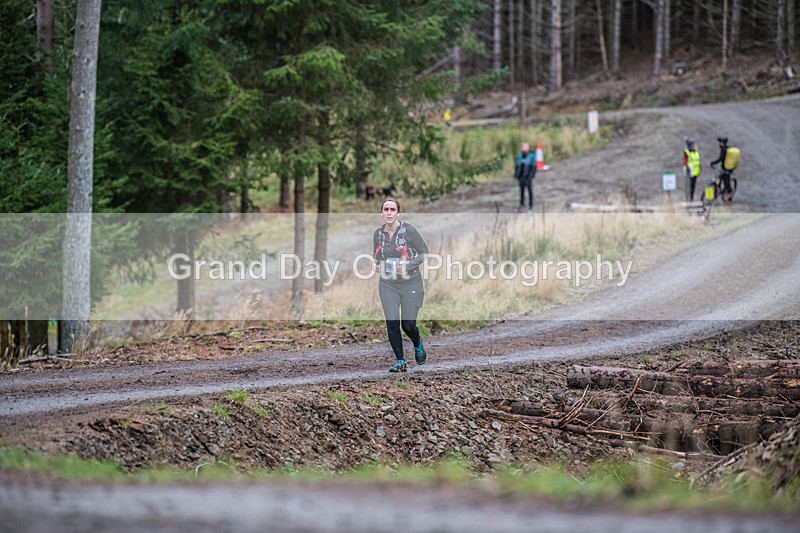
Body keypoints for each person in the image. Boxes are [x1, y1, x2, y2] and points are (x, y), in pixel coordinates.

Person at [372, 197, 429, 373]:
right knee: (392, 322)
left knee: (408, 325)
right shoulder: (378, 234)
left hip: (410, 282)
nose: (389, 213)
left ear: (398, 213)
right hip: (388, 283)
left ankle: (417, 343)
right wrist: (376, 265)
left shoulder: (408, 231)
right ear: (382, 213)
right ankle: (400, 361)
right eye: (386, 210)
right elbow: (377, 255)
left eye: (392, 210)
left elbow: (424, 254)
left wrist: (406, 265)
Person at [514, 142, 536, 212]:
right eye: (523, 147)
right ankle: (522, 204)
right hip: (521, 176)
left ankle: (531, 205)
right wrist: (516, 174)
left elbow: (534, 167)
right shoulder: (519, 156)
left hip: (528, 177)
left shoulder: (531, 156)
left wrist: (531, 175)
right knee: (521, 192)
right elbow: (516, 166)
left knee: (530, 191)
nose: (524, 149)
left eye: (525, 147)